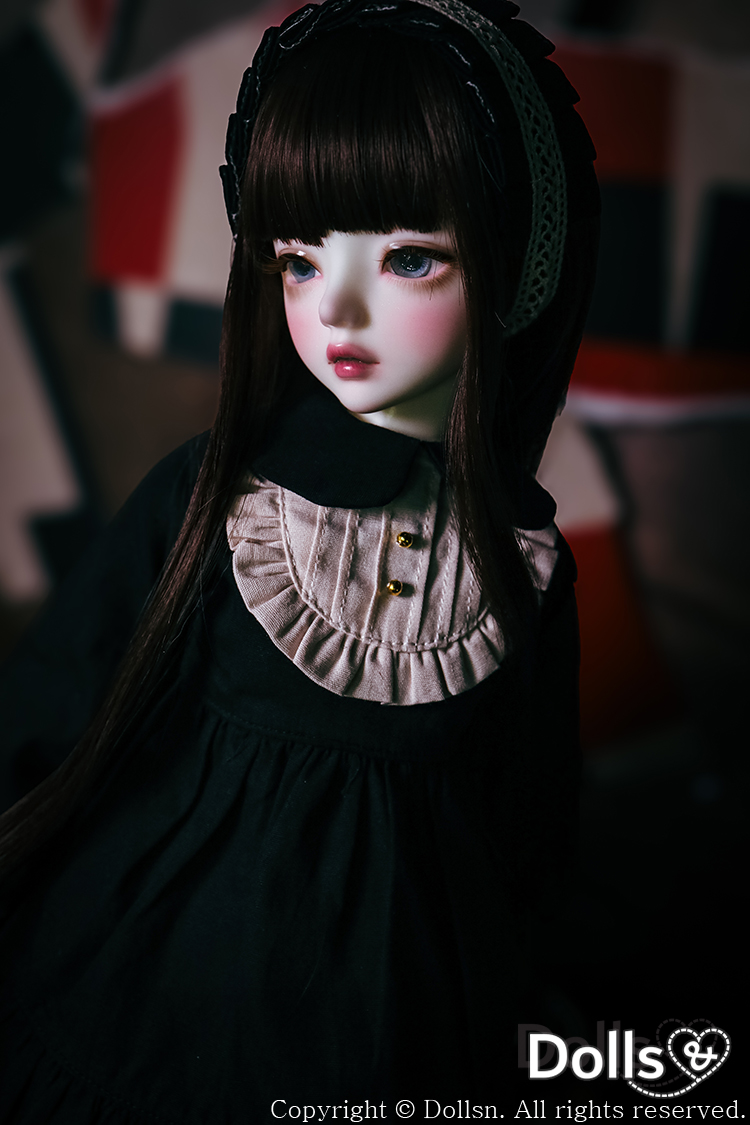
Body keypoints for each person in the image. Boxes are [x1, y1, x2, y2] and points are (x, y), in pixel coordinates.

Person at [0, 0, 599, 1118]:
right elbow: (44, 710)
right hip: (151, 991)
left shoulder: (522, 568)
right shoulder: (220, 501)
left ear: (519, 266)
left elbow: (530, 844)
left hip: (394, 1035)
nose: (340, 311)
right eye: (299, 260)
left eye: (411, 258)